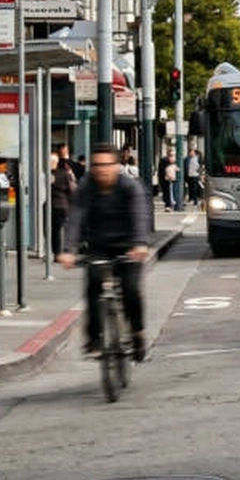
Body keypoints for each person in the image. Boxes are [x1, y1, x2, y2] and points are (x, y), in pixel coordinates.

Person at [60, 142, 154, 362]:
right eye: (97, 165)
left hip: (129, 246)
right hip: (99, 246)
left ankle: (137, 333)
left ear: (117, 165)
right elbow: (75, 217)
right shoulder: (86, 186)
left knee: (131, 290)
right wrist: (69, 250)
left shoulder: (129, 187)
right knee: (93, 286)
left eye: (107, 164)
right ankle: (94, 339)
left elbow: (139, 215)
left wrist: (140, 243)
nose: (101, 169)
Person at [50, 143, 79, 260]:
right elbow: (71, 190)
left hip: (53, 205)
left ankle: (57, 252)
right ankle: (63, 251)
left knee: (55, 230)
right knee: (61, 229)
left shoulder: (45, 174)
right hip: (62, 205)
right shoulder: (64, 174)